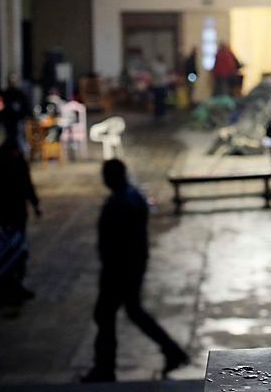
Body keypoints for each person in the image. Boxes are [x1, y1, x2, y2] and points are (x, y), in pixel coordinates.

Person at [82, 160, 189, 383]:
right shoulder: (131, 196)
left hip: (119, 269)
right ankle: (171, 350)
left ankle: (105, 368)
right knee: (130, 312)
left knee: (107, 315)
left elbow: (116, 242)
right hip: (130, 266)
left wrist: (112, 268)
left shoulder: (120, 202)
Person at [0, 137, 40, 302]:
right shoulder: (10, 161)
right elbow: (26, 184)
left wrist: (34, 203)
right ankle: (10, 284)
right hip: (9, 209)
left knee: (12, 247)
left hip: (8, 210)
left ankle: (12, 283)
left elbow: (26, 184)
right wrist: (35, 204)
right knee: (12, 248)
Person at [0, 73, 30, 155]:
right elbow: (2, 107)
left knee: (19, 137)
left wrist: (22, 116)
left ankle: (20, 154)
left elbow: (25, 106)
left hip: (18, 120)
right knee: (9, 138)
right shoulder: (5, 93)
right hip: (8, 121)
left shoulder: (20, 94)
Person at [150, 55, 169, 119]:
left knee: (162, 100)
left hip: (163, 85)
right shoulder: (155, 66)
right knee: (158, 100)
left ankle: (162, 112)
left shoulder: (162, 65)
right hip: (157, 85)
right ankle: (158, 113)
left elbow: (165, 73)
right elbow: (159, 73)